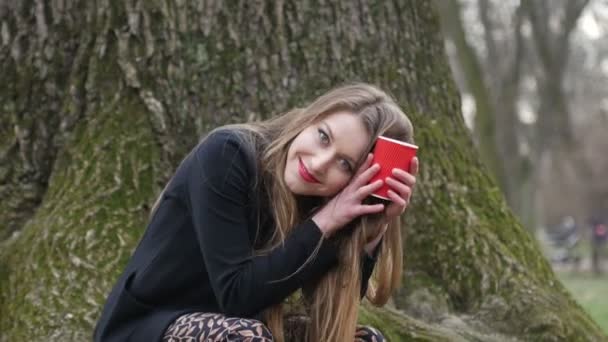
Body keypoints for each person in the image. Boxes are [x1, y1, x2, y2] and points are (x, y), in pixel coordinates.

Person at [94, 83, 419, 342]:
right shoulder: (228, 155)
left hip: (246, 329)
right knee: (244, 336)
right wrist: (325, 222)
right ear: (309, 119)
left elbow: (334, 301)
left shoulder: (324, 201)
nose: (319, 163)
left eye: (344, 164)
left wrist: (372, 229)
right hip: (147, 328)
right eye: (323, 137)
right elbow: (237, 297)